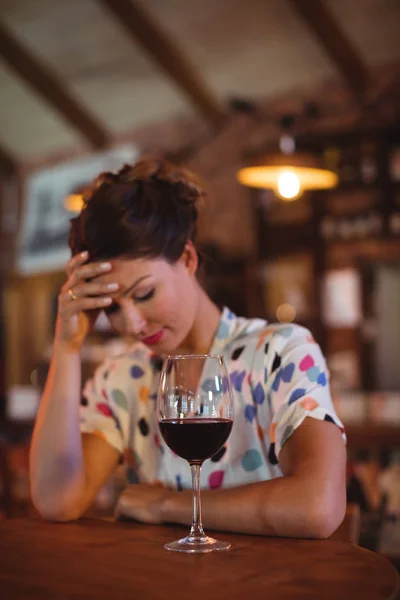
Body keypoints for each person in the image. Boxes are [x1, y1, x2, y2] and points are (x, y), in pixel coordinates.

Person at [30, 158, 347, 538]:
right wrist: (67, 345)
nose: (131, 324)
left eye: (144, 293)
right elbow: (56, 501)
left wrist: (164, 505)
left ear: (188, 258)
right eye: (111, 307)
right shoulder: (122, 378)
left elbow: (318, 506)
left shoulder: (281, 353)